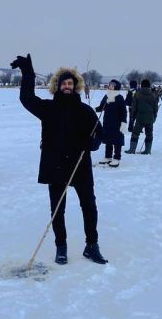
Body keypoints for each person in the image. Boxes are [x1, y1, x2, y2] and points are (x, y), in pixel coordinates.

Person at [12, 53, 106, 265]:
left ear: (75, 86)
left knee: (89, 206)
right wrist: (28, 73)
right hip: (56, 166)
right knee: (57, 209)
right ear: (57, 85)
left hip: (80, 167)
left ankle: (92, 245)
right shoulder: (48, 109)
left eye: (70, 82)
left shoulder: (85, 111)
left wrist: (93, 144)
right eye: (63, 82)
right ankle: (61, 247)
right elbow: (26, 99)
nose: (67, 86)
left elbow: (100, 133)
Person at [95, 79, 127, 167]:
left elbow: (124, 111)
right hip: (107, 122)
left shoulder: (119, 98)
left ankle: (117, 158)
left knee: (117, 141)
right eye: (110, 85)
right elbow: (101, 107)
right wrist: (94, 109)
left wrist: (123, 123)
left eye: (112, 85)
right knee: (108, 140)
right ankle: (108, 157)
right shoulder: (106, 96)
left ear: (116, 87)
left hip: (117, 123)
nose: (110, 86)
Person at [125, 79, 158, 155]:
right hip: (150, 117)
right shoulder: (153, 95)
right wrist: (154, 117)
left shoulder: (137, 94)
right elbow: (155, 108)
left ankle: (132, 150)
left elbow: (134, 107)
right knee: (149, 134)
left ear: (142, 85)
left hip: (140, 117)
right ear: (149, 85)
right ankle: (147, 150)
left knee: (135, 133)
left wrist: (133, 116)